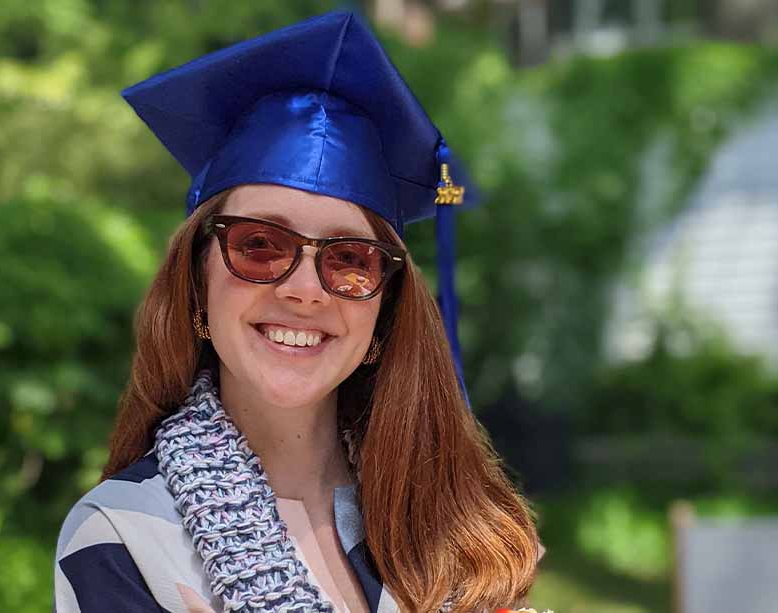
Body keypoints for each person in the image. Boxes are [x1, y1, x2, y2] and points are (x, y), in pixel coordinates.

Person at [54, 11, 545, 613]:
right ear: (196, 280)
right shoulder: (124, 537)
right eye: (260, 245)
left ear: (384, 311)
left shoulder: (455, 535)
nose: (306, 290)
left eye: (350, 259)